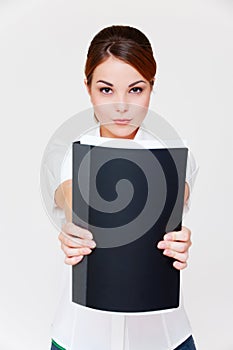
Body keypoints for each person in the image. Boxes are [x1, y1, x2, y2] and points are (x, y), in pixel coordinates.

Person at [49, 25, 198, 350]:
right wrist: (74, 231)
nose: (121, 105)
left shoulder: (174, 155)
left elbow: (174, 202)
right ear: (87, 87)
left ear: (151, 87)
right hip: (81, 337)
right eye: (106, 90)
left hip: (164, 337)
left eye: (135, 89)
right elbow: (71, 199)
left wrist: (179, 239)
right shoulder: (69, 155)